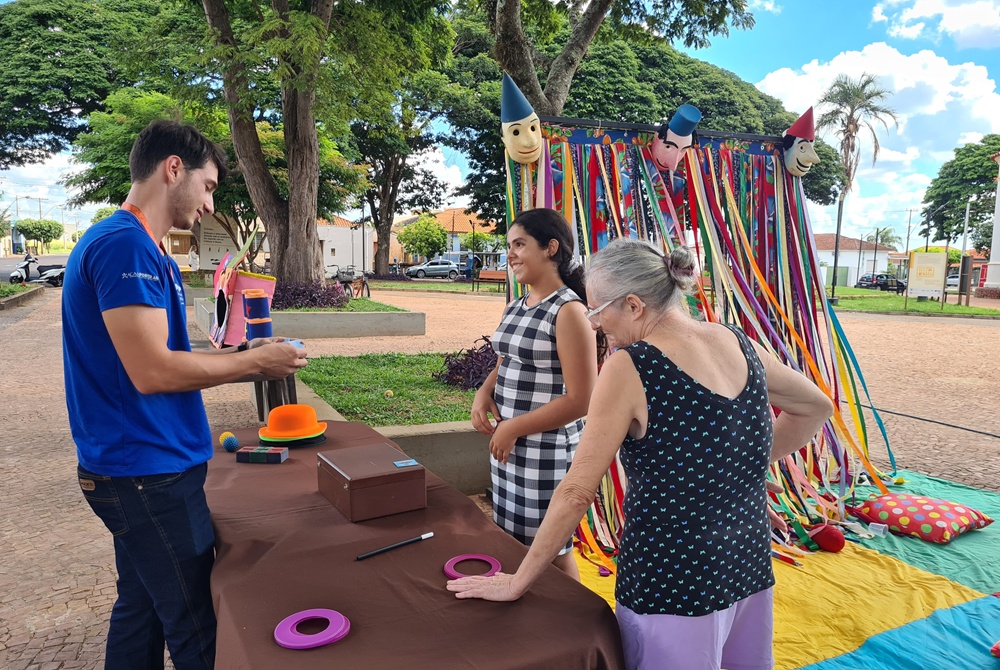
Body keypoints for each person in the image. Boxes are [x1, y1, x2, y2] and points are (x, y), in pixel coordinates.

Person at [451, 237, 834, 670]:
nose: (594, 324)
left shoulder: (632, 364)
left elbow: (577, 490)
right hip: (746, 562)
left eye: (597, 310)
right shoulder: (734, 340)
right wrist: (732, 471)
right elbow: (815, 407)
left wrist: (518, 581)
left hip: (672, 580)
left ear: (633, 305)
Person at [62, 120, 308, 670]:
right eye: (209, 185)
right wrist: (252, 363)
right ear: (174, 169)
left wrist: (248, 356)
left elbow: (162, 356)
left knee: (143, 607)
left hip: (140, 467)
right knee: (197, 625)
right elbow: (152, 371)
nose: (208, 201)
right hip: (146, 473)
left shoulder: (144, 249)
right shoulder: (123, 245)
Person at [471, 208, 602, 580]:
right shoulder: (517, 305)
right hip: (512, 447)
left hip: (546, 451)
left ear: (550, 248)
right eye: (508, 245)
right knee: (514, 540)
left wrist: (512, 428)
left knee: (550, 549)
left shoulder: (569, 311)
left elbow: (582, 399)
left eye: (519, 244)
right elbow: (507, 360)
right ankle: (532, 622)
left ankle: (575, 630)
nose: (509, 254)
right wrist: (484, 392)